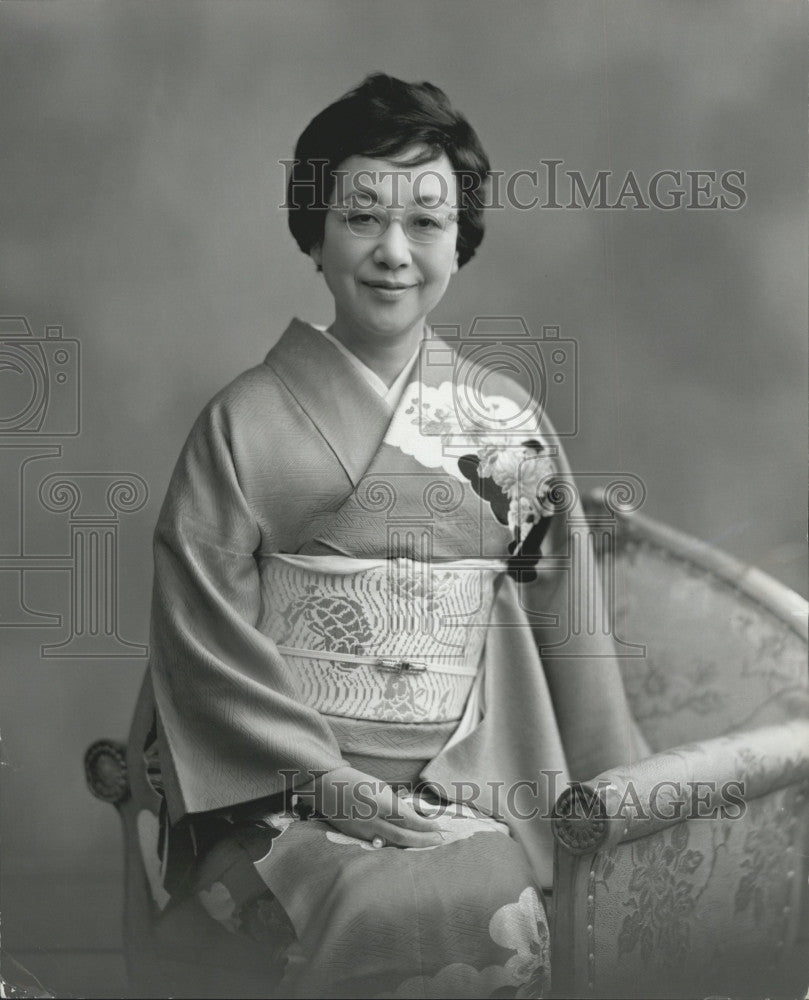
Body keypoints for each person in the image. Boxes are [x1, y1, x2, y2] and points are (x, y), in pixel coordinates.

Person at [127, 73, 645, 999]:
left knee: (489, 889)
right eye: (362, 216)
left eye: (427, 223)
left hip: (473, 788)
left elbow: (568, 621)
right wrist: (328, 784)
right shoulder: (244, 422)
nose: (393, 252)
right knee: (364, 903)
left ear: (461, 241)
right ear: (315, 233)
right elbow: (199, 633)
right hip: (278, 797)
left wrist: (616, 798)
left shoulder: (500, 423)